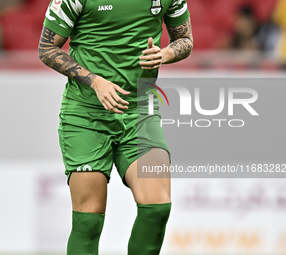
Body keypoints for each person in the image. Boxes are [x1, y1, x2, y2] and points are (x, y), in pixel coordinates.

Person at [38, 0, 193, 254]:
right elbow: (46, 48)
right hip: (86, 115)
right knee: (88, 220)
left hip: (140, 111)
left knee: (157, 207)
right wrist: (96, 82)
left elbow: (185, 39)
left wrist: (164, 54)